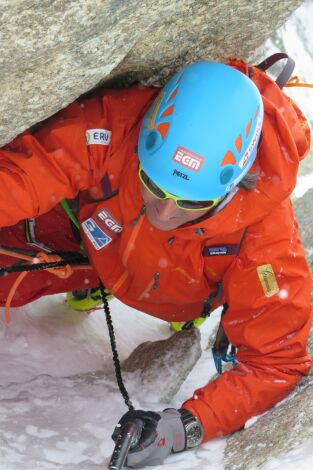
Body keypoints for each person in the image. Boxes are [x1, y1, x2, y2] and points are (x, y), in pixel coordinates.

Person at [0, 58, 312, 467]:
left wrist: (183, 427)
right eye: (152, 183)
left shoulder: (264, 238)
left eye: (192, 203)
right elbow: (24, 176)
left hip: (176, 286)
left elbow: (276, 362)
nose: (164, 213)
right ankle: (93, 279)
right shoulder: (118, 124)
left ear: (238, 185)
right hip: (97, 238)